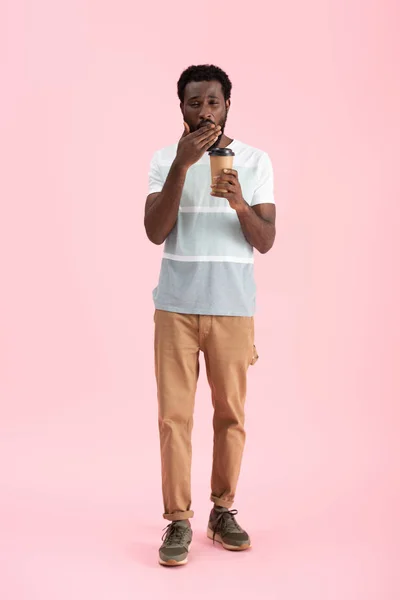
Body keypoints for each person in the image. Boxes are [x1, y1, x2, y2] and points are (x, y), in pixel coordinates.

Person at [144, 64, 276, 567]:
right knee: (173, 419)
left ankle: (223, 512)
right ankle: (178, 520)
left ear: (227, 105)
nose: (205, 112)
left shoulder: (256, 160)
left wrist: (241, 204)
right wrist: (182, 165)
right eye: (194, 102)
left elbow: (265, 241)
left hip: (232, 309)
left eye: (213, 102)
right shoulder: (163, 160)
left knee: (230, 416)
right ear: (180, 107)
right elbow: (156, 232)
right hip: (175, 307)